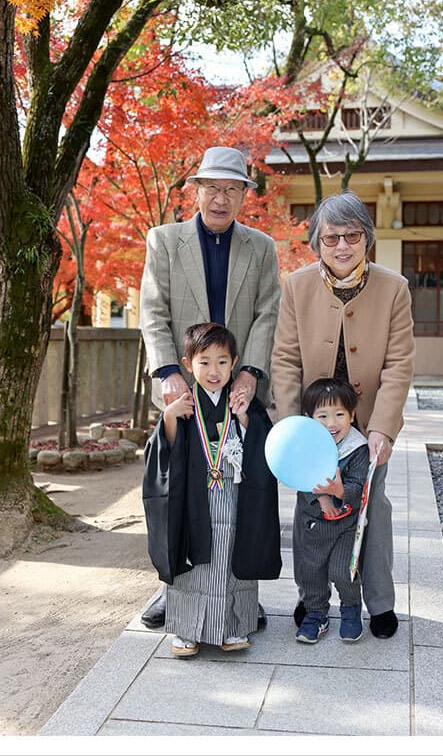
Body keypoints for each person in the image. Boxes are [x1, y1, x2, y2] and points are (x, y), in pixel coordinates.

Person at [138, 145, 281, 630]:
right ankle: (172, 589)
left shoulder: (260, 247)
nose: (221, 198)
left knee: (243, 491)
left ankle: (239, 594)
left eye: (231, 189)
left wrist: (250, 371)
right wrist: (167, 373)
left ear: (245, 194)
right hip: (185, 385)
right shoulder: (165, 240)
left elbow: (267, 314)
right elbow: (153, 310)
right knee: (177, 489)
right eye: (212, 188)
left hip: (239, 387)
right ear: (196, 190)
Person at [271, 191, 415, 639]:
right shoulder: (297, 286)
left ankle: (380, 603)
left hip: (367, 423)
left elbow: (398, 363)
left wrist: (383, 428)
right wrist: (290, 430)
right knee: (311, 509)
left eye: (352, 235)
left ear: (366, 239)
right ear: (317, 242)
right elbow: (285, 359)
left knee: (372, 509)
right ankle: (310, 597)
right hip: (314, 426)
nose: (342, 246)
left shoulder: (394, 288)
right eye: (331, 237)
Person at [141, 323, 281, 656]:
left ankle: (232, 627)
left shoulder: (243, 401)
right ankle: (187, 631)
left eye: (222, 362)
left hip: (234, 498)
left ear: (234, 363)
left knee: (232, 559)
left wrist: (247, 419)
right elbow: (160, 453)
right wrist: (171, 419)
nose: (214, 371)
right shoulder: (184, 404)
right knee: (196, 567)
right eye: (204, 362)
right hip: (194, 501)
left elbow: (265, 444)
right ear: (188, 364)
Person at [293, 378, 370, 644]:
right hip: (314, 523)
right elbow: (301, 480)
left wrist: (339, 492)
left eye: (340, 414)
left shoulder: (358, 448)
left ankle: (350, 610)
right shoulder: (304, 445)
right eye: (322, 416)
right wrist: (322, 501)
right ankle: (316, 614)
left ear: (352, 415)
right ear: (309, 418)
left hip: (345, 525)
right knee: (310, 573)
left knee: (341, 570)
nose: (331, 423)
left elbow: (358, 487)